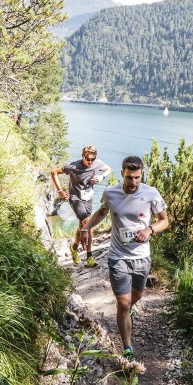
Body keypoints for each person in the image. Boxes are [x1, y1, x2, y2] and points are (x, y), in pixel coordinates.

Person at [82, 155, 169, 360]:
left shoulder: (151, 193)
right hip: (118, 257)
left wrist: (149, 230)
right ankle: (128, 347)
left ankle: (129, 310)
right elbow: (102, 212)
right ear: (122, 173)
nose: (133, 182)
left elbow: (164, 220)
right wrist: (86, 227)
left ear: (141, 175)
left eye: (137, 177)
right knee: (123, 303)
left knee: (135, 298)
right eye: (129, 177)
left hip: (141, 257)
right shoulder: (111, 193)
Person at [50, 145, 111, 267]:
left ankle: (74, 247)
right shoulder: (74, 166)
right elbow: (53, 172)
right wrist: (60, 191)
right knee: (89, 225)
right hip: (75, 199)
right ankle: (89, 257)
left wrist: (101, 176)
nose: (89, 162)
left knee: (81, 225)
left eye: (92, 159)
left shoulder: (97, 163)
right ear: (82, 156)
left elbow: (108, 169)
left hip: (88, 198)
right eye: (87, 159)